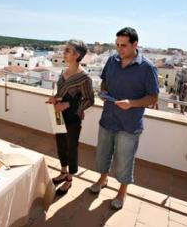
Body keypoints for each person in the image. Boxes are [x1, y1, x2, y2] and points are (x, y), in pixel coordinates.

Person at [89, 27, 159, 210]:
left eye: (124, 46)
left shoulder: (147, 68)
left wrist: (132, 103)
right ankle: (102, 180)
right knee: (103, 154)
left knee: (124, 159)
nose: (119, 49)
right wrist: (104, 91)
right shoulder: (112, 60)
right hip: (108, 118)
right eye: (117, 45)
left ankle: (122, 192)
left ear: (135, 44)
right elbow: (104, 80)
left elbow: (153, 97)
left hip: (129, 124)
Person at [47, 39, 94, 196]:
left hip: (73, 118)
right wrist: (55, 98)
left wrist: (67, 106)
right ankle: (63, 171)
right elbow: (61, 94)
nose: (64, 53)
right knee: (60, 144)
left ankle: (69, 179)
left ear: (77, 55)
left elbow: (89, 100)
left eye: (67, 50)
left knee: (71, 147)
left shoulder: (84, 77)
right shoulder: (64, 72)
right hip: (58, 115)